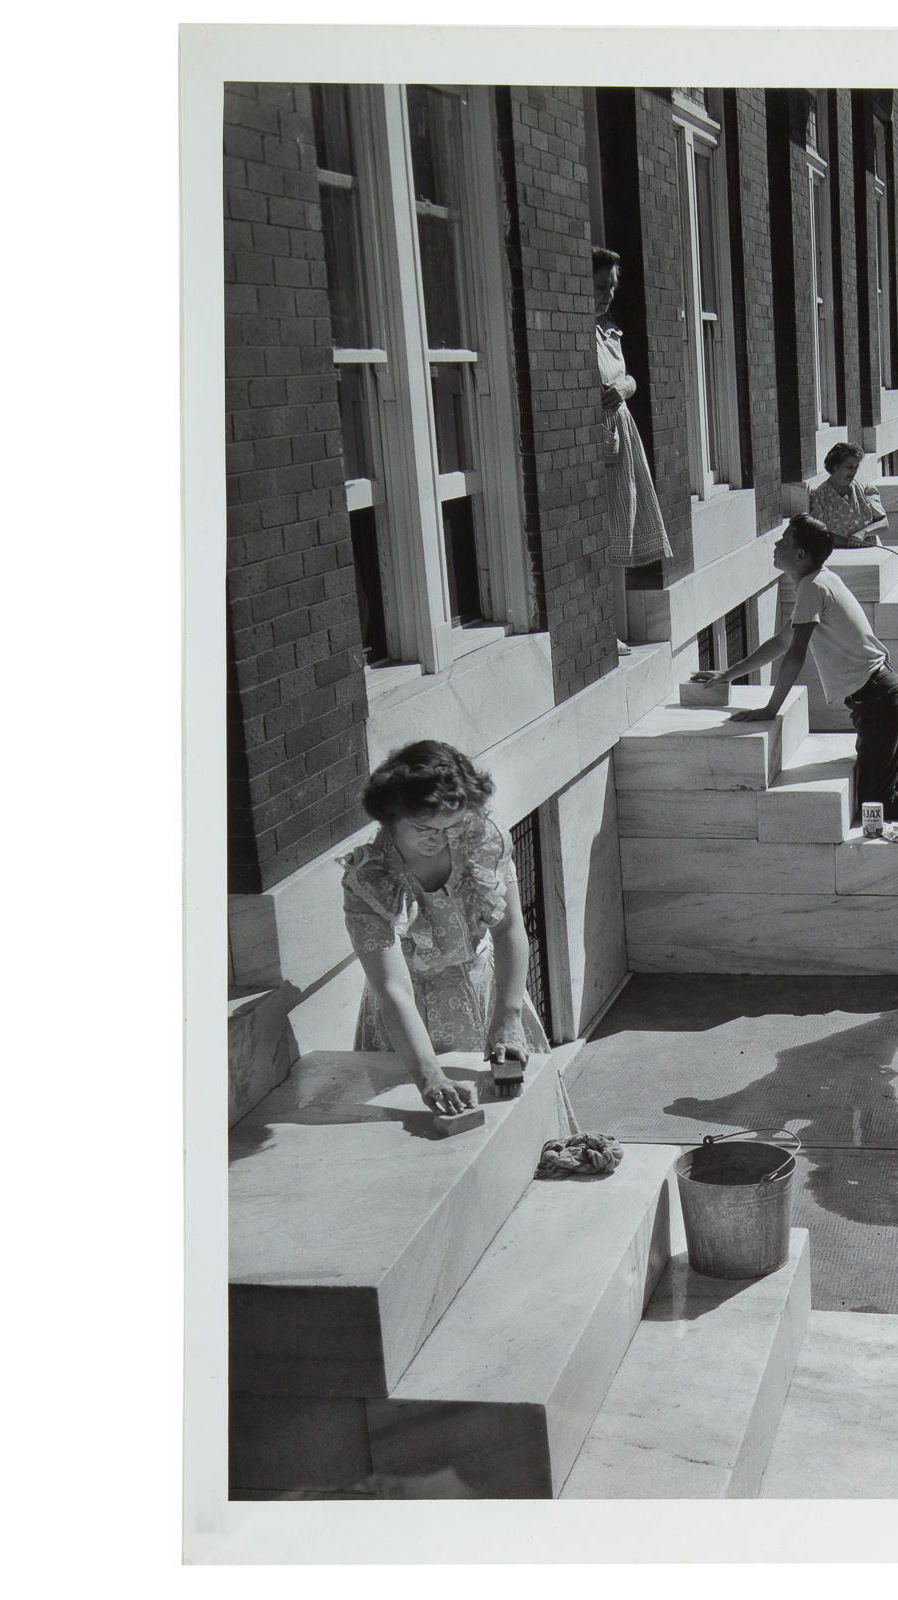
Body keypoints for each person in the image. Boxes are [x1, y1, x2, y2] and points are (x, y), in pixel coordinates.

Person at [699, 516, 898, 848]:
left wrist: (770, 709)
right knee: (886, 785)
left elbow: (795, 655)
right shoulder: (821, 580)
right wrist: (726, 674)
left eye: (784, 541)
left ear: (801, 554)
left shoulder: (812, 587)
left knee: (878, 803)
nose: (776, 546)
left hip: (878, 699)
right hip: (883, 695)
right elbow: (781, 643)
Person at [340, 741, 549, 1116]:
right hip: (408, 1017)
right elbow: (392, 988)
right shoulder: (369, 880)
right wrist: (430, 1077)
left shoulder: (482, 839)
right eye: (424, 829)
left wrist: (508, 1015)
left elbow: (509, 927)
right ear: (390, 816)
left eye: (451, 826)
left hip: (490, 993)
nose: (440, 840)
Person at [596, 247, 673, 651]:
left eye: (611, 285)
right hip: (598, 440)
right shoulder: (580, 335)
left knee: (622, 518)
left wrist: (624, 388)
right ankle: (605, 630)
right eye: (599, 285)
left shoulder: (608, 331)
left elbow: (626, 377)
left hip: (619, 432)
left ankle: (617, 625)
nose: (607, 293)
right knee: (604, 526)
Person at [808, 442, 889, 548]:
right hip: (840, 556)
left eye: (856, 467)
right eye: (849, 466)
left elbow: (884, 523)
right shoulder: (819, 496)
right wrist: (851, 542)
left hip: (871, 552)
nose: (853, 471)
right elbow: (820, 534)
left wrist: (863, 533)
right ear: (835, 466)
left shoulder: (866, 490)